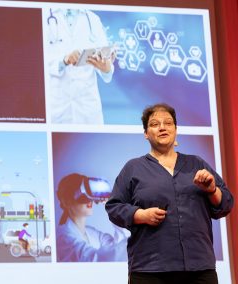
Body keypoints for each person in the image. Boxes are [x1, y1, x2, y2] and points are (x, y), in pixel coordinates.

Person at [105, 103, 234, 284]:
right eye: (155, 124)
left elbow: (226, 204)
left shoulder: (196, 163)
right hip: (150, 268)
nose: (162, 127)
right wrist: (140, 215)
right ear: (145, 133)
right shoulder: (133, 168)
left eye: (168, 123)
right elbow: (114, 207)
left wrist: (212, 190)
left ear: (175, 129)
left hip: (199, 267)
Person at [45, 8, 115, 124]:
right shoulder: (44, 16)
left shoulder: (93, 19)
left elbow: (107, 72)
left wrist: (106, 69)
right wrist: (64, 61)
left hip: (87, 107)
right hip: (57, 105)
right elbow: (39, 63)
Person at [56, 173, 126, 262]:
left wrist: (114, 208)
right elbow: (94, 259)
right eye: (83, 197)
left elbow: (117, 245)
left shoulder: (92, 233)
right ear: (66, 202)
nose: (89, 200)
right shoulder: (64, 237)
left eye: (90, 194)